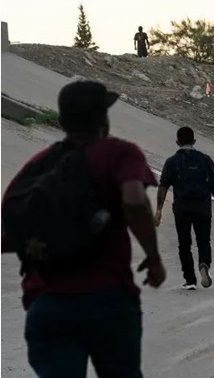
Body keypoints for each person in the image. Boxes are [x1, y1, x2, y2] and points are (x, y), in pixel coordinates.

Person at [1, 80, 165, 377]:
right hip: (108, 300)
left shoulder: (39, 166)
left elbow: (9, 231)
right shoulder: (118, 153)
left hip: (47, 304)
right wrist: (153, 257)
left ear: (62, 122)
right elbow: (134, 199)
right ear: (104, 119)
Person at [155, 127, 214, 290]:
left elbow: (163, 185)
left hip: (182, 208)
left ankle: (190, 279)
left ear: (177, 142)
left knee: (184, 244)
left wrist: (158, 209)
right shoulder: (205, 160)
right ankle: (204, 264)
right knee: (203, 240)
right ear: (194, 141)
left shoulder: (172, 162)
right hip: (202, 208)